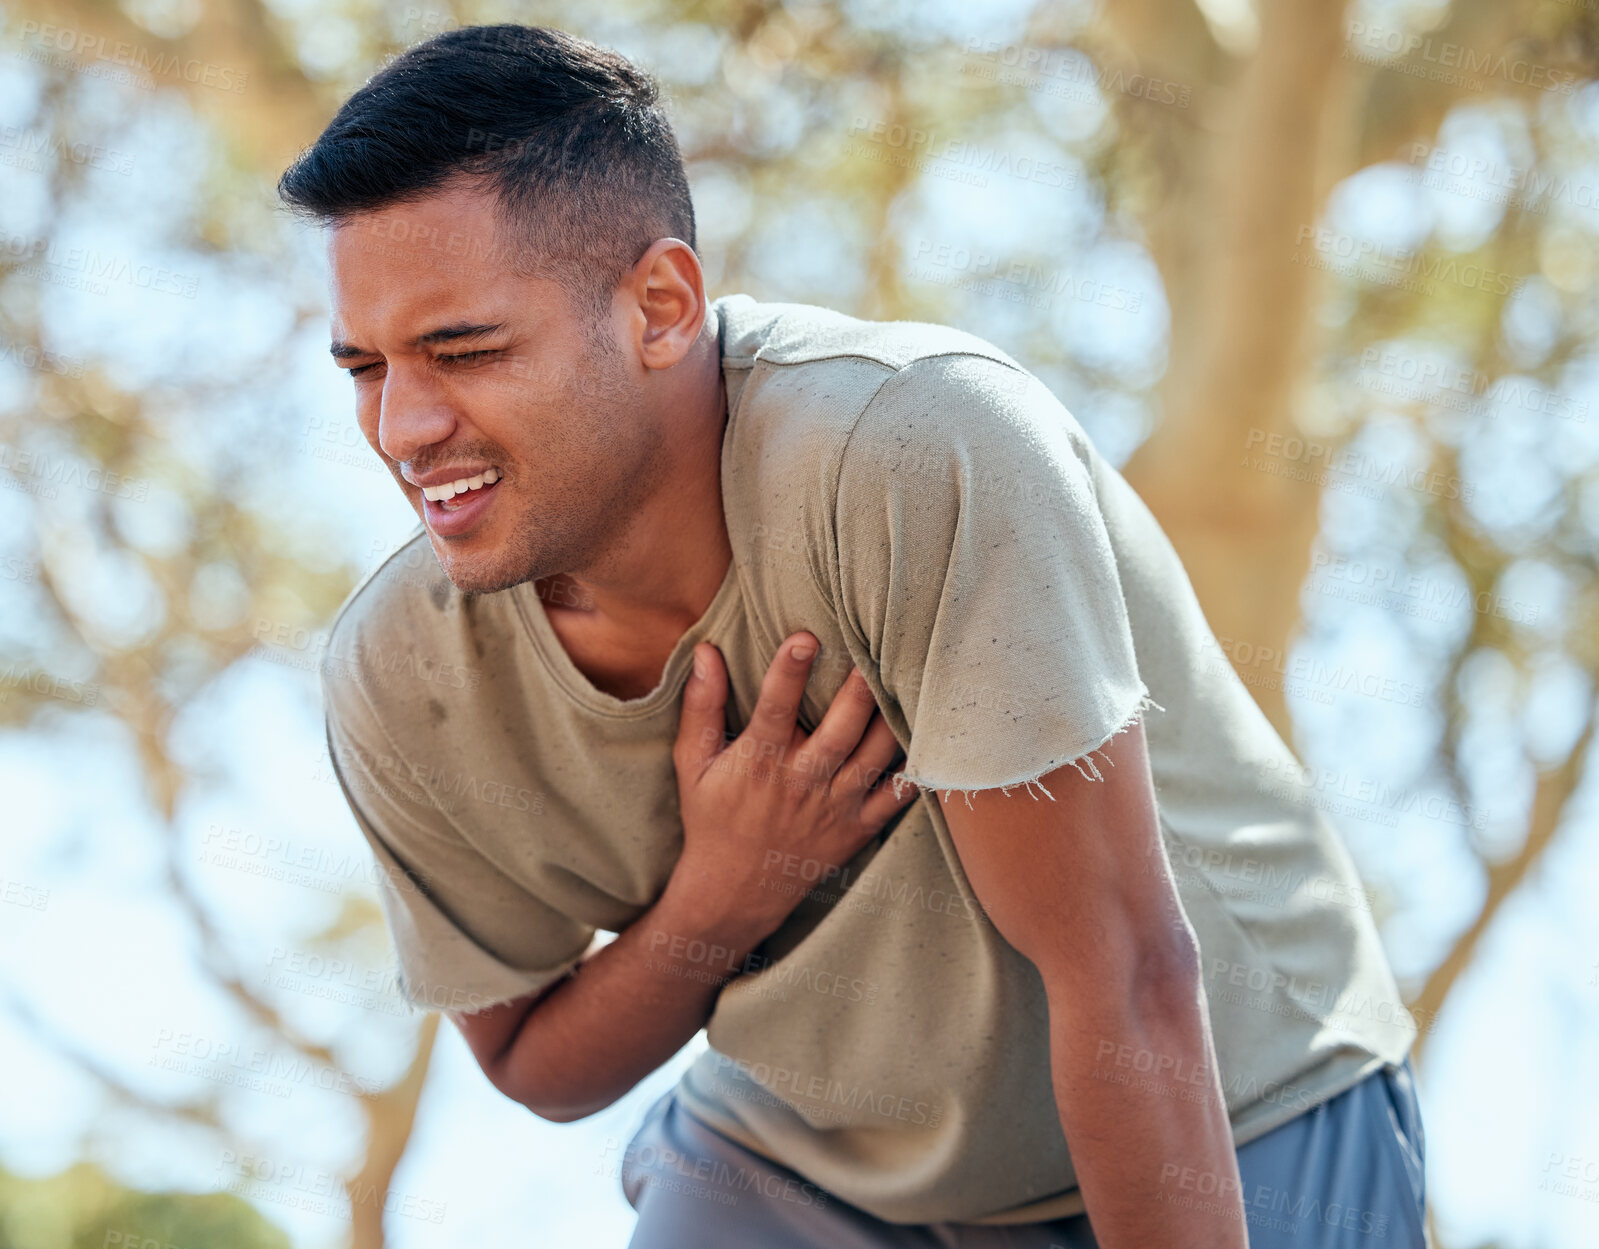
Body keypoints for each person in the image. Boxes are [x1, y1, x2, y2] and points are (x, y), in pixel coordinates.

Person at [278, 22, 1428, 1248]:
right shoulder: (400, 673)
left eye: (465, 351)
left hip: (1236, 1098)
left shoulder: (915, 450)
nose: (403, 426)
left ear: (661, 306)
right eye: (364, 367)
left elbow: (1128, 973)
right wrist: (718, 901)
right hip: (815, 1157)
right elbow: (529, 1060)